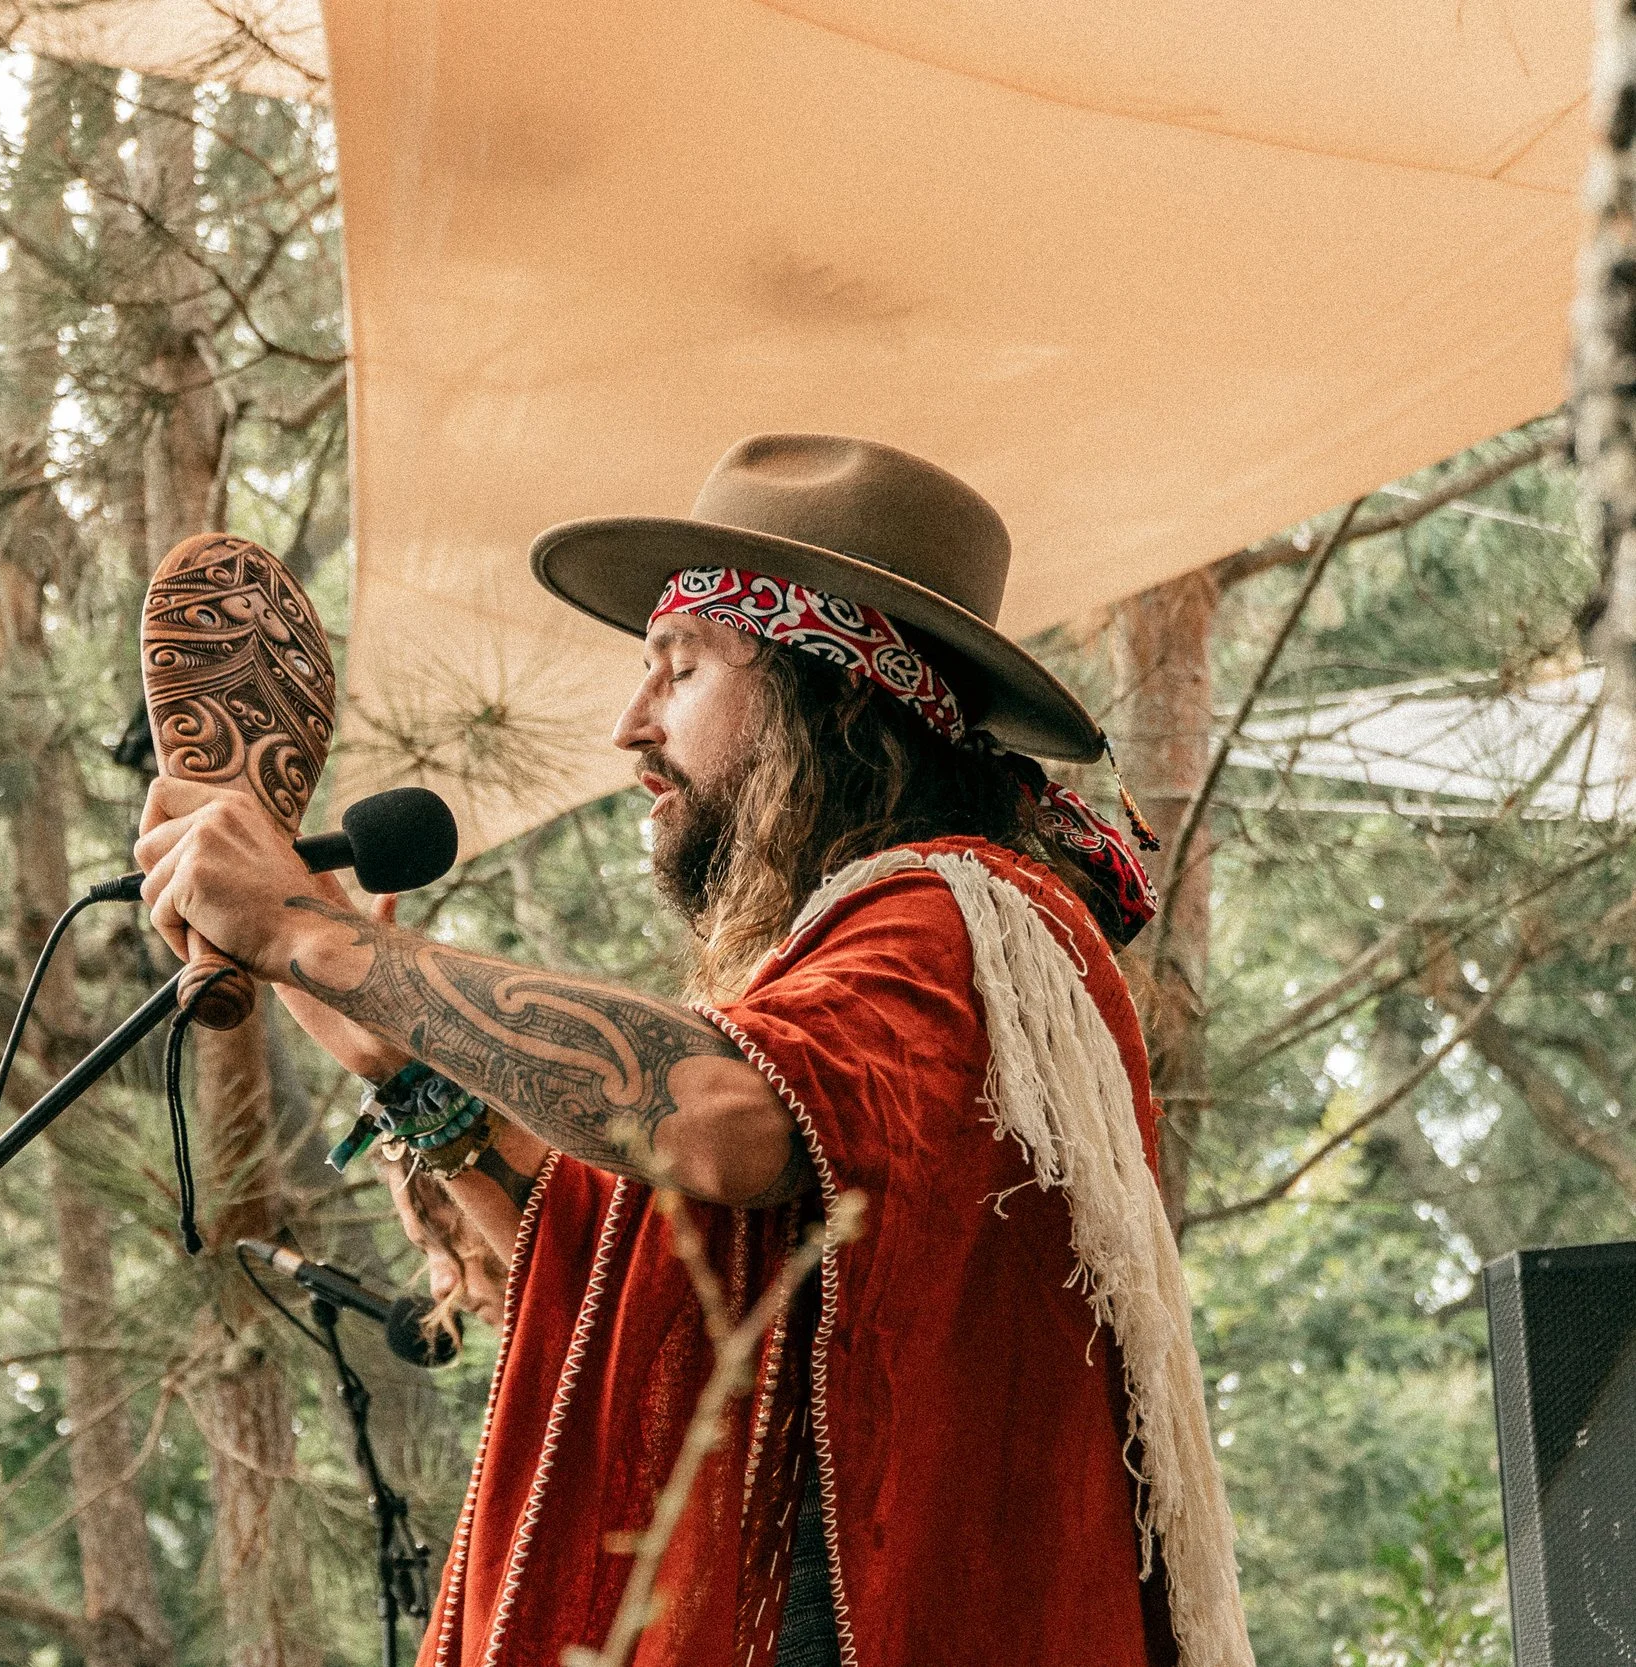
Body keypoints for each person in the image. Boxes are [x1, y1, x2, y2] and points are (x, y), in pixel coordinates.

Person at [134, 435, 1253, 1667]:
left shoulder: (958, 915)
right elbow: (640, 1269)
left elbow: (717, 1115)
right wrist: (394, 1058)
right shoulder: (857, 956)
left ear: (827, 690)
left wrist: (309, 930)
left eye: (677, 670)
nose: (628, 724)